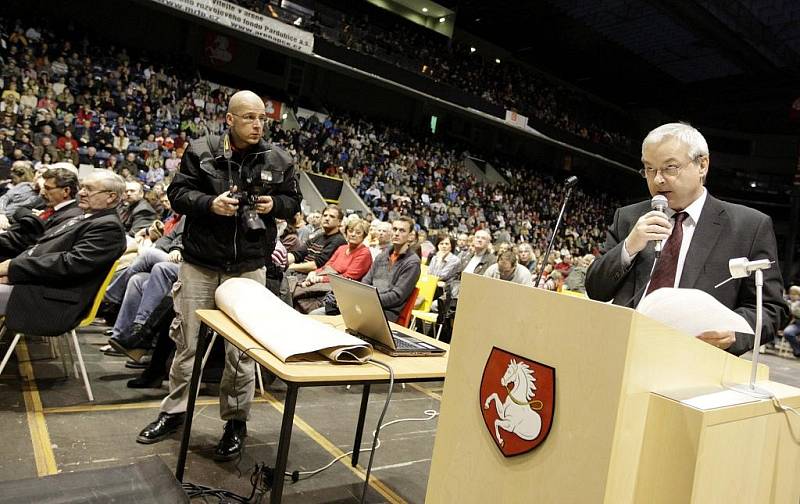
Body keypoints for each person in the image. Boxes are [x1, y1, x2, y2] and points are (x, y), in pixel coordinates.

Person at [136, 90, 302, 462]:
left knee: (241, 351)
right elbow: (177, 194)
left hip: (248, 267)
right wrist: (210, 204)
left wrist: (274, 204)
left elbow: (293, 203)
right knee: (186, 343)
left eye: (262, 118)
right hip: (200, 262)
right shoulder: (201, 149)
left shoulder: (279, 158)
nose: (258, 124)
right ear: (230, 119)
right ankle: (174, 412)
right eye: (249, 117)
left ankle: (235, 422)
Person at [585, 122, 788, 355]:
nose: (658, 180)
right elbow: (596, 290)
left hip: (696, 360)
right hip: (623, 351)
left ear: (702, 165)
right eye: (649, 169)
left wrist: (735, 332)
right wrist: (629, 247)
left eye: (669, 168)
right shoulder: (629, 217)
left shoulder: (749, 226)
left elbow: (772, 309)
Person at [0, 170, 127, 336]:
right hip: (36, 284)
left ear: (110, 197)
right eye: (82, 188)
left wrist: (13, 268)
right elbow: (41, 246)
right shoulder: (89, 217)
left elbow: (70, 264)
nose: (81, 193)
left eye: (89, 189)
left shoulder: (108, 227)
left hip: (53, 300)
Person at [0, 166, 82, 259]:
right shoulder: (52, 205)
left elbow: (34, 245)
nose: (43, 193)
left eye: (47, 188)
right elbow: (19, 211)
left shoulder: (70, 216)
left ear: (66, 191)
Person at [361, 216, 421, 322]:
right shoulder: (382, 255)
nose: (397, 233)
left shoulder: (412, 262)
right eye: (394, 229)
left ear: (410, 235)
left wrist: (369, 299)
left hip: (387, 312)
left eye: (402, 230)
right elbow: (366, 280)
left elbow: (396, 296)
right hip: (369, 304)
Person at [782, 286, 800, 358]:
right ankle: (798, 351)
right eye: (791, 294)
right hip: (797, 324)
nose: (792, 296)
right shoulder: (789, 302)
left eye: (795, 294)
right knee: (788, 332)